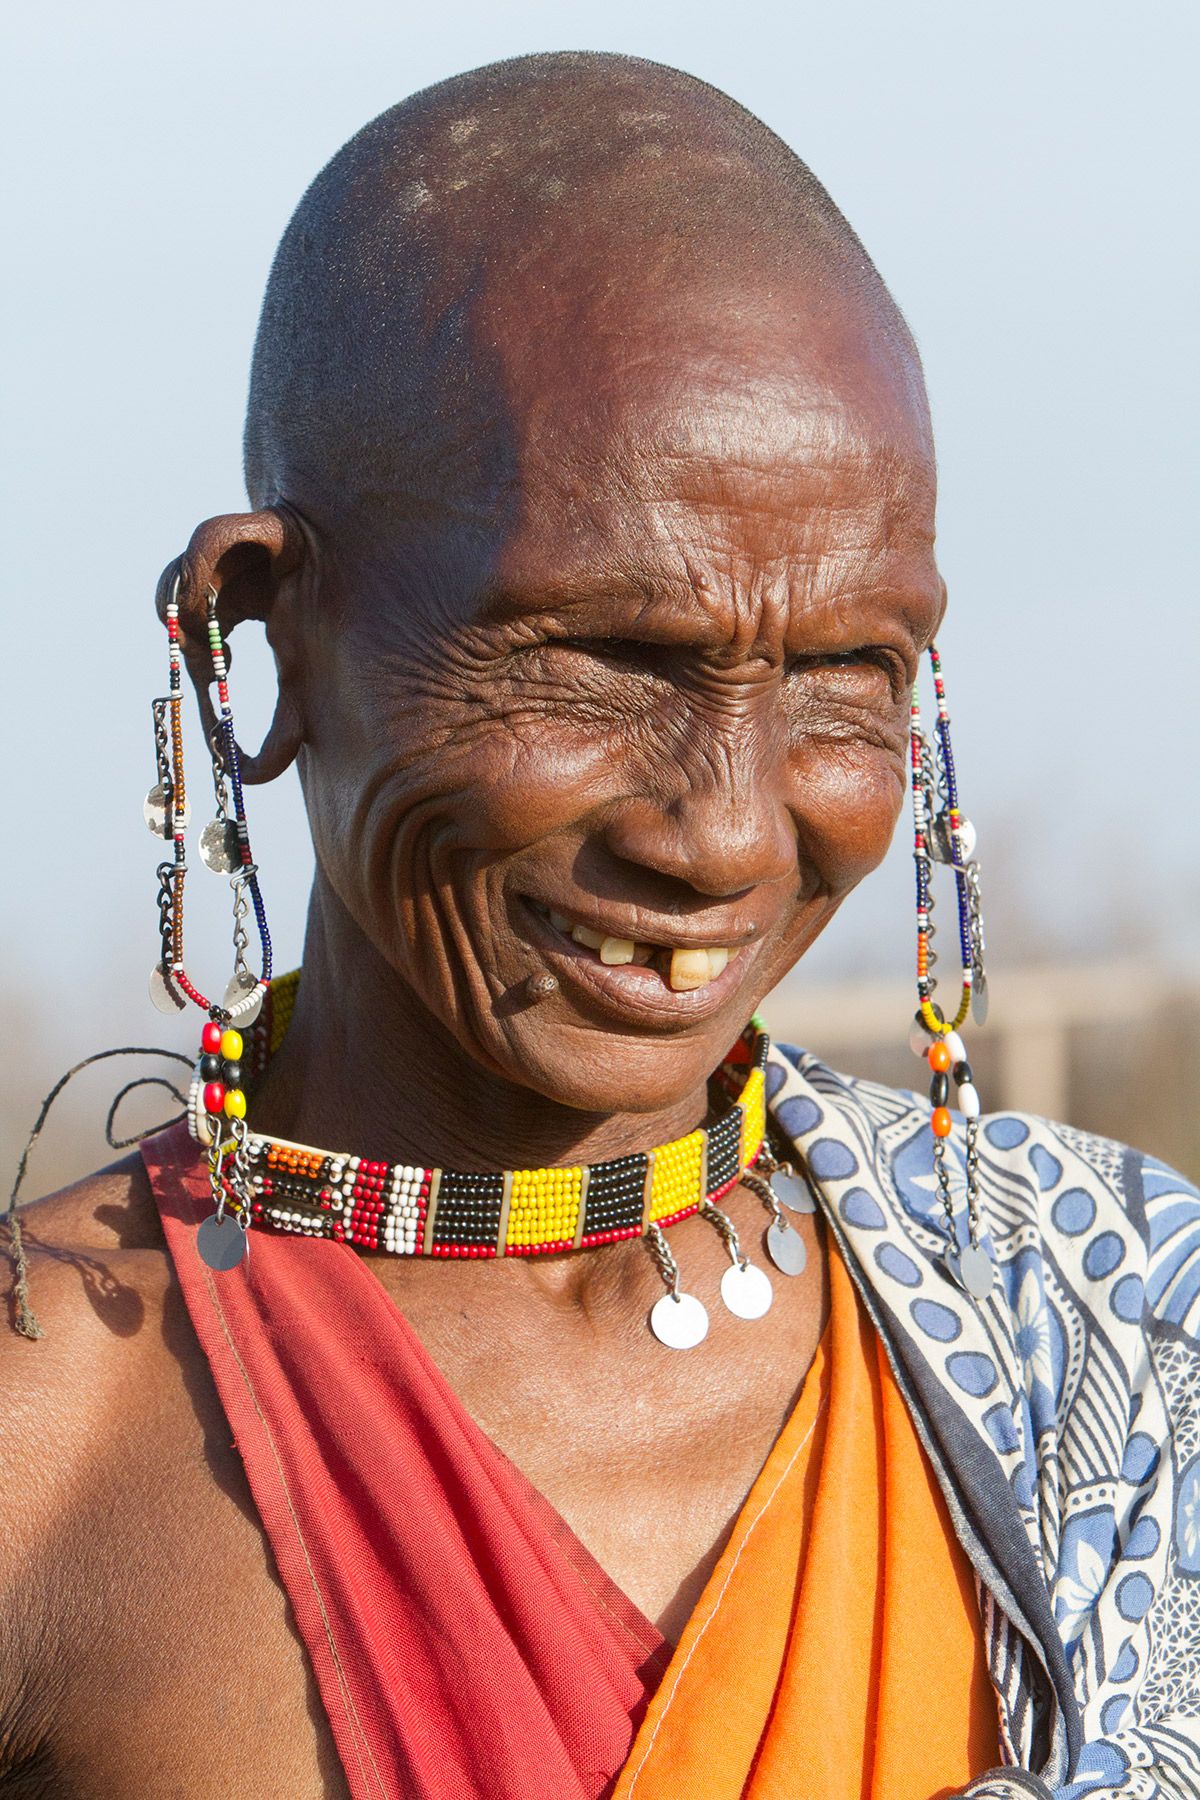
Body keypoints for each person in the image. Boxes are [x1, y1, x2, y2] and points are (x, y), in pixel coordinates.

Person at [2, 50, 1197, 1800]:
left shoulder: (1121, 1351)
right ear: (265, 639)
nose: (721, 830)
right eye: (598, 660)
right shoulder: (46, 1436)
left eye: (846, 674)